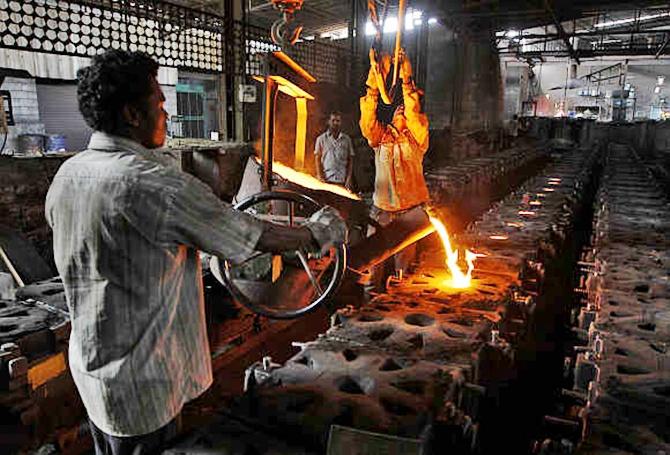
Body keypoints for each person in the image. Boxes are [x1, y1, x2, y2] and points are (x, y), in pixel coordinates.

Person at [45, 50, 346, 455]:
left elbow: (115, 246)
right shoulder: (154, 184)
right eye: (160, 103)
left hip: (93, 368)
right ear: (134, 115)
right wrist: (317, 231)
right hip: (145, 385)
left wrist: (198, 254)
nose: (167, 113)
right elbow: (253, 233)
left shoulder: (68, 175)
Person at [359, 49, 430, 277]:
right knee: (373, 265)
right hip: (381, 211)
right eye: (398, 106)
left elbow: (413, 111)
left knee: (404, 266)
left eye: (407, 106)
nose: (402, 108)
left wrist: (406, 81)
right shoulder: (380, 138)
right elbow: (367, 122)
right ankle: (370, 299)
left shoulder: (418, 138)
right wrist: (374, 82)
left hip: (409, 213)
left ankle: (395, 300)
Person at [314, 111, 354, 190]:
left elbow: (350, 160)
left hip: (342, 181)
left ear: (341, 122)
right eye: (333, 120)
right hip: (326, 180)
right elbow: (317, 159)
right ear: (329, 122)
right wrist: (320, 176)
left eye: (338, 121)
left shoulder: (347, 140)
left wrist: (349, 178)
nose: (335, 123)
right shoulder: (321, 139)